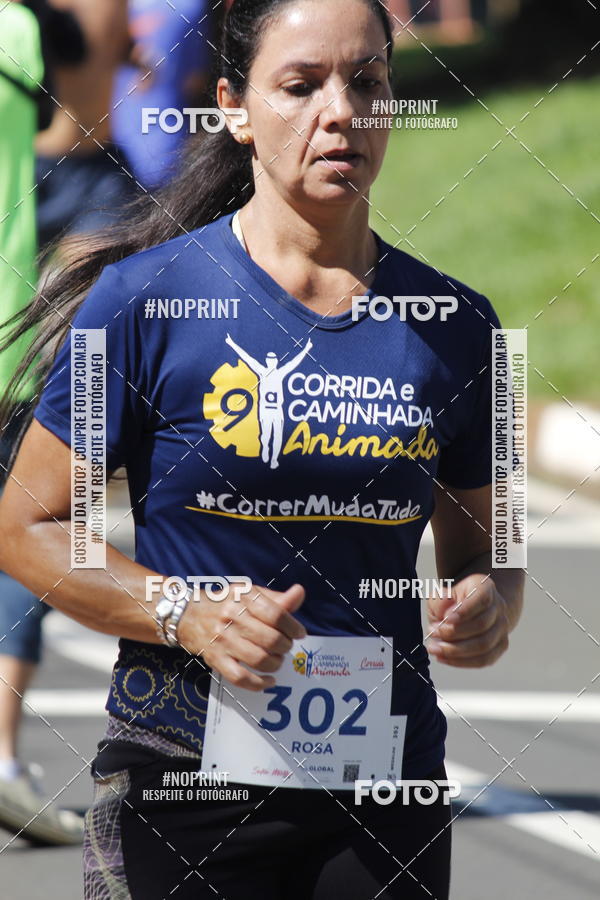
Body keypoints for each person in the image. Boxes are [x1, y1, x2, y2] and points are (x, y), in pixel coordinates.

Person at [0, 0, 524, 897]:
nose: (341, 112)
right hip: (184, 783)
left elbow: (491, 550)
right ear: (235, 107)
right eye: (301, 85)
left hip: (383, 787)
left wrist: (488, 603)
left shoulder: (459, 325)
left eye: (367, 81)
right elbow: (25, 530)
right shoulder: (138, 302)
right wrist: (187, 614)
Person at [0, 0, 84, 846]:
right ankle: (0, 758)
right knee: (32, 536)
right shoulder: (20, 31)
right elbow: (64, 119)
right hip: (6, 343)